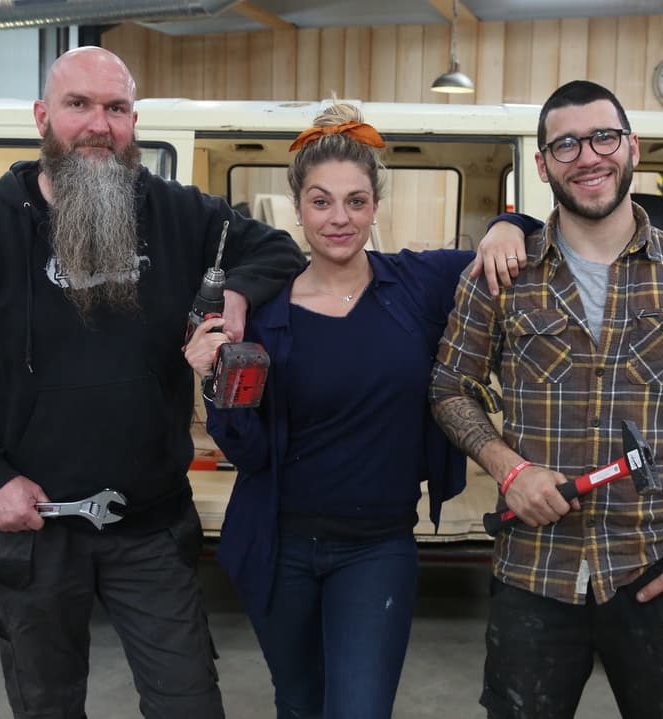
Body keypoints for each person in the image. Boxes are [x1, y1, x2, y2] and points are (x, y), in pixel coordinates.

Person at [0, 46, 304, 719]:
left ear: (133, 121)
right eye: (79, 105)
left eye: (115, 107)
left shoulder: (179, 214)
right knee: (48, 706)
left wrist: (236, 292)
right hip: (34, 529)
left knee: (189, 704)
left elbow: (277, 250)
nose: (99, 124)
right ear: (43, 117)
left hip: (149, 525)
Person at [182, 103, 524, 719]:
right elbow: (250, 454)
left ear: (374, 206)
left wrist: (508, 226)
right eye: (321, 201)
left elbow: (541, 239)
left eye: (355, 201)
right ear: (298, 208)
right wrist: (213, 382)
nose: (339, 218)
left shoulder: (419, 283)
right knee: (300, 703)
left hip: (377, 547)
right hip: (279, 542)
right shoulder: (265, 314)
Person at [430, 80, 663, 719]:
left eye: (603, 137)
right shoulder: (503, 275)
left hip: (657, 564)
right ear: (543, 164)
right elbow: (449, 387)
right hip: (535, 570)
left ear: (632, 147)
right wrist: (510, 470)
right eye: (567, 144)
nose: (587, 157)